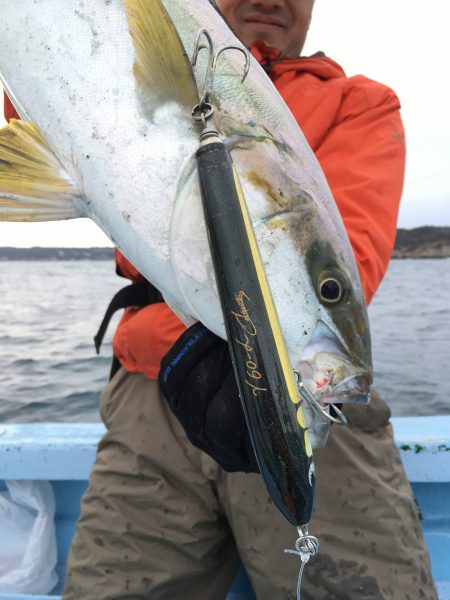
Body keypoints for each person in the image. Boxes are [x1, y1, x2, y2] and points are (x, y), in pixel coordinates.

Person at [5, 1, 437, 598]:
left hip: (308, 402)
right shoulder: (137, 34)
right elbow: (40, 90)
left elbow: (345, 264)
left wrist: (255, 350)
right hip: (148, 388)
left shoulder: (358, 103)